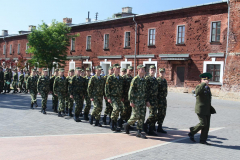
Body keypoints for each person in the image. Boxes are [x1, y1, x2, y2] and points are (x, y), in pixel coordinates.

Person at [188, 72, 216, 145]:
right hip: (200, 109)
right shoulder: (199, 86)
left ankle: (203, 140)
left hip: (207, 109)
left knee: (206, 126)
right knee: (203, 123)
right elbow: (197, 92)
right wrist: (203, 84)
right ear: (201, 80)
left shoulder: (208, 88)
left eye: (207, 80)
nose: (207, 81)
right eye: (204, 80)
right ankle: (192, 131)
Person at [123, 64, 148, 139]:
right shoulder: (135, 79)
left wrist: (146, 100)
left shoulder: (144, 80)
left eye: (144, 69)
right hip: (136, 101)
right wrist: (131, 101)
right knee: (136, 115)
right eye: (142, 69)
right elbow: (131, 91)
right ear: (138, 70)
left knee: (142, 116)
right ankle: (127, 124)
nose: (143, 70)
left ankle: (139, 131)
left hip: (142, 101)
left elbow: (145, 91)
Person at [105, 63, 124, 131]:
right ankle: (112, 123)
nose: (118, 69)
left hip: (119, 97)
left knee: (119, 110)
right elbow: (107, 88)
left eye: (119, 68)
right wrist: (108, 97)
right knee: (116, 109)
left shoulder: (120, 78)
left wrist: (122, 96)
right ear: (114, 69)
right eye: (117, 68)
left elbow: (122, 88)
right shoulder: (110, 77)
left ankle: (115, 123)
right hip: (112, 97)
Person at [143, 65, 158, 136]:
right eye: (151, 70)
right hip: (150, 100)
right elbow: (145, 90)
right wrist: (147, 100)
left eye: (154, 70)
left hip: (155, 100)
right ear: (149, 71)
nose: (152, 71)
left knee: (154, 114)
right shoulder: (147, 79)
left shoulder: (155, 79)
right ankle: (145, 125)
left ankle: (151, 129)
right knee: (152, 114)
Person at [156, 68, 168, 133]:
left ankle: (160, 126)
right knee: (157, 113)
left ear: (165, 73)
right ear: (159, 73)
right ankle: (151, 126)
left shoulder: (164, 81)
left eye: (163, 72)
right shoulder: (157, 80)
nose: (162, 73)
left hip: (163, 99)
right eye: (160, 72)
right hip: (158, 100)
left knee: (163, 113)